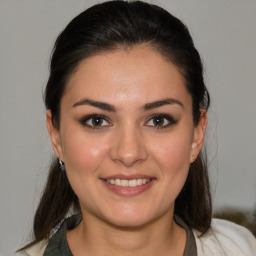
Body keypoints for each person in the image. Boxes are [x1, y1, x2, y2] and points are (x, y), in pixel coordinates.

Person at [17, 1, 256, 255]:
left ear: (197, 134)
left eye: (158, 120)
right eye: (97, 120)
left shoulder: (242, 248)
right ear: (56, 136)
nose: (129, 153)